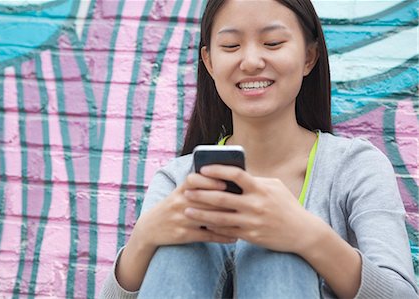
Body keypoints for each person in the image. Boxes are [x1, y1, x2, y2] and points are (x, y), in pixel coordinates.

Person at [100, 0, 418, 298]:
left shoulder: (354, 167)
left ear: (309, 57)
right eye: (231, 46)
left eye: (273, 43)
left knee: (275, 251)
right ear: (209, 62)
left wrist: (306, 235)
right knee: (180, 246)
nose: (251, 62)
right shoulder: (176, 180)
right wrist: (144, 239)